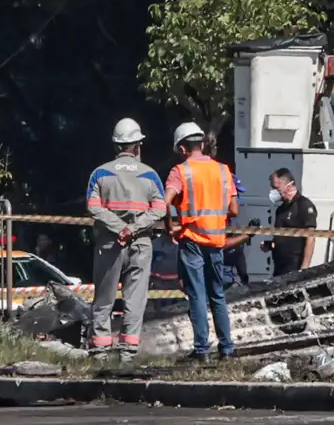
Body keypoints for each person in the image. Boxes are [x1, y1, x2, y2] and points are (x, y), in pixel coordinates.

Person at [85, 118, 166, 363]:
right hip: (140, 243)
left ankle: (99, 351)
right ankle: (127, 353)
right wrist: (134, 228)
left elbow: (93, 207)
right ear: (138, 146)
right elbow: (160, 209)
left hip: (110, 243)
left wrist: (119, 227)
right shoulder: (150, 174)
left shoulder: (100, 173)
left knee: (104, 298)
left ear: (116, 146)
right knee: (135, 298)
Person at [164, 121, 239, 362]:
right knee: (217, 295)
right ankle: (227, 349)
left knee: (197, 295)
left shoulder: (180, 171)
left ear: (182, 148)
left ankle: (202, 351)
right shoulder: (223, 170)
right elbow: (234, 209)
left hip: (193, 241)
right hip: (216, 241)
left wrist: (170, 228)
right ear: (203, 144)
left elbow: (165, 201)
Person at [261, 168, 318, 276]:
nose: (272, 191)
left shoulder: (303, 205)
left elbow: (310, 238)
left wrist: (304, 269)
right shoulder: (281, 210)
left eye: (276, 188)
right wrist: (271, 245)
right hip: (279, 267)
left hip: (294, 266)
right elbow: (282, 238)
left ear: (288, 186)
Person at [222, 176, 252, 288]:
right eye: (235, 194)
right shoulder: (215, 215)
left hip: (232, 273)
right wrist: (246, 236)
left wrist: (243, 277)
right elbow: (221, 244)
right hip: (216, 271)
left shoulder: (236, 217)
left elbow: (239, 252)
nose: (237, 198)